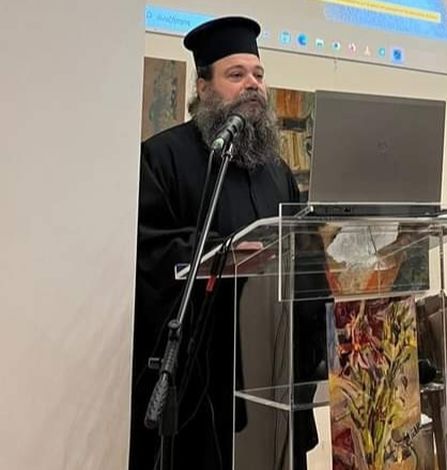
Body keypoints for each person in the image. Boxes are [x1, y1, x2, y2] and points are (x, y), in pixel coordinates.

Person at [130, 17, 324, 470]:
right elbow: (147, 252)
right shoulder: (163, 158)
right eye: (236, 75)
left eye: (258, 74)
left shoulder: (277, 170)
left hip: (273, 374)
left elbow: (306, 254)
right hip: (204, 381)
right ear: (204, 87)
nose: (252, 84)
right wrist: (219, 254)